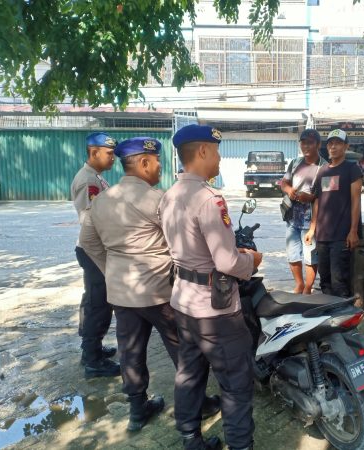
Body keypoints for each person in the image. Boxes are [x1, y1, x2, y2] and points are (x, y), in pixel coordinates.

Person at [79, 137, 220, 432]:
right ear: (144, 163)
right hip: (159, 291)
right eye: (157, 162)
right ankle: (198, 405)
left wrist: (111, 270)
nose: (160, 168)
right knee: (185, 350)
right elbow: (184, 241)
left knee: (129, 351)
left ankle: (137, 409)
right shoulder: (158, 199)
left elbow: (88, 242)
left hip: (121, 292)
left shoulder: (101, 200)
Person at [159, 124, 263, 450]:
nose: (219, 159)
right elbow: (227, 262)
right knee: (235, 384)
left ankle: (191, 438)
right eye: (216, 152)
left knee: (189, 374)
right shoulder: (208, 199)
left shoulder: (169, 195)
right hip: (215, 312)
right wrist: (252, 261)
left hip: (184, 303)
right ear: (202, 151)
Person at [70, 132, 120, 378]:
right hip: (94, 251)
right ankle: (92, 361)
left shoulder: (95, 177)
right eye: (109, 154)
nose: (113, 158)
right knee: (97, 304)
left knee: (96, 301)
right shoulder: (87, 180)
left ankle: (92, 349)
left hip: (97, 250)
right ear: (93, 152)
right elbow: (89, 220)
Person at [305, 129, 363, 297]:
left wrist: (353, 231)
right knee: (325, 280)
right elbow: (317, 201)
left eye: (338, 143)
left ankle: (343, 311)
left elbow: (356, 200)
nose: (333, 147)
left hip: (342, 235)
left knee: (339, 281)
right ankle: (329, 310)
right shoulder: (323, 170)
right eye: (330, 143)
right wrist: (312, 229)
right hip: (323, 235)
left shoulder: (352, 169)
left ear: (346, 146)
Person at [280, 129, 325, 294]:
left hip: (311, 218)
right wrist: (289, 190)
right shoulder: (295, 163)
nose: (306, 146)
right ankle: (299, 284)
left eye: (310, 143)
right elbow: (284, 183)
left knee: (310, 255)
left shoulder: (325, 167)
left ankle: (308, 287)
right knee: (292, 253)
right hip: (292, 216)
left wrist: (311, 197)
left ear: (318, 145)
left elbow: (326, 196)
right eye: (303, 142)